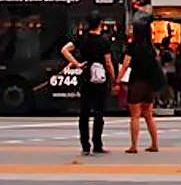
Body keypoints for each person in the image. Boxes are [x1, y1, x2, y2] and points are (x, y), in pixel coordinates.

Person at [62, 16, 116, 156]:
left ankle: (85, 145)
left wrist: (77, 64)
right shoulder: (104, 40)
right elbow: (108, 62)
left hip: (86, 77)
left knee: (84, 112)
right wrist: (114, 79)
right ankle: (97, 144)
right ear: (100, 23)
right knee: (99, 112)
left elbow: (65, 50)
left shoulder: (83, 38)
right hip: (100, 79)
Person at [122, 24, 164, 152]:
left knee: (135, 116)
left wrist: (118, 80)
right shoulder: (150, 48)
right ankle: (155, 144)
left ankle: (134, 146)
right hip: (148, 84)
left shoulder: (132, 47)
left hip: (136, 83)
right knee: (149, 116)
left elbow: (125, 65)